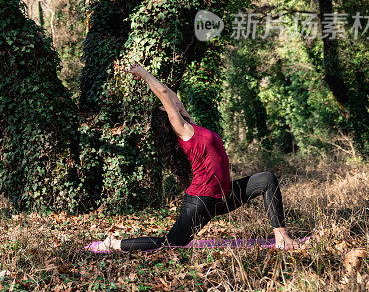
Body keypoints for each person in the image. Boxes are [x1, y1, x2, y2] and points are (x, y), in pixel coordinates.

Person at [86, 62, 301, 253]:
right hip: (201, 201)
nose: (174, 102)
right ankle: (114, 244)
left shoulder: (191, 125)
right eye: (168, 106)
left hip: (224, 196)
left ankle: (281, 238)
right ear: (169, 119)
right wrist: (142, 73)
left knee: (267, 180)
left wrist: (166, 93)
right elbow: (161, 91)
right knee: (170, 243)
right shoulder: (182, 130)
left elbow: (167, 92)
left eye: (174, 102)